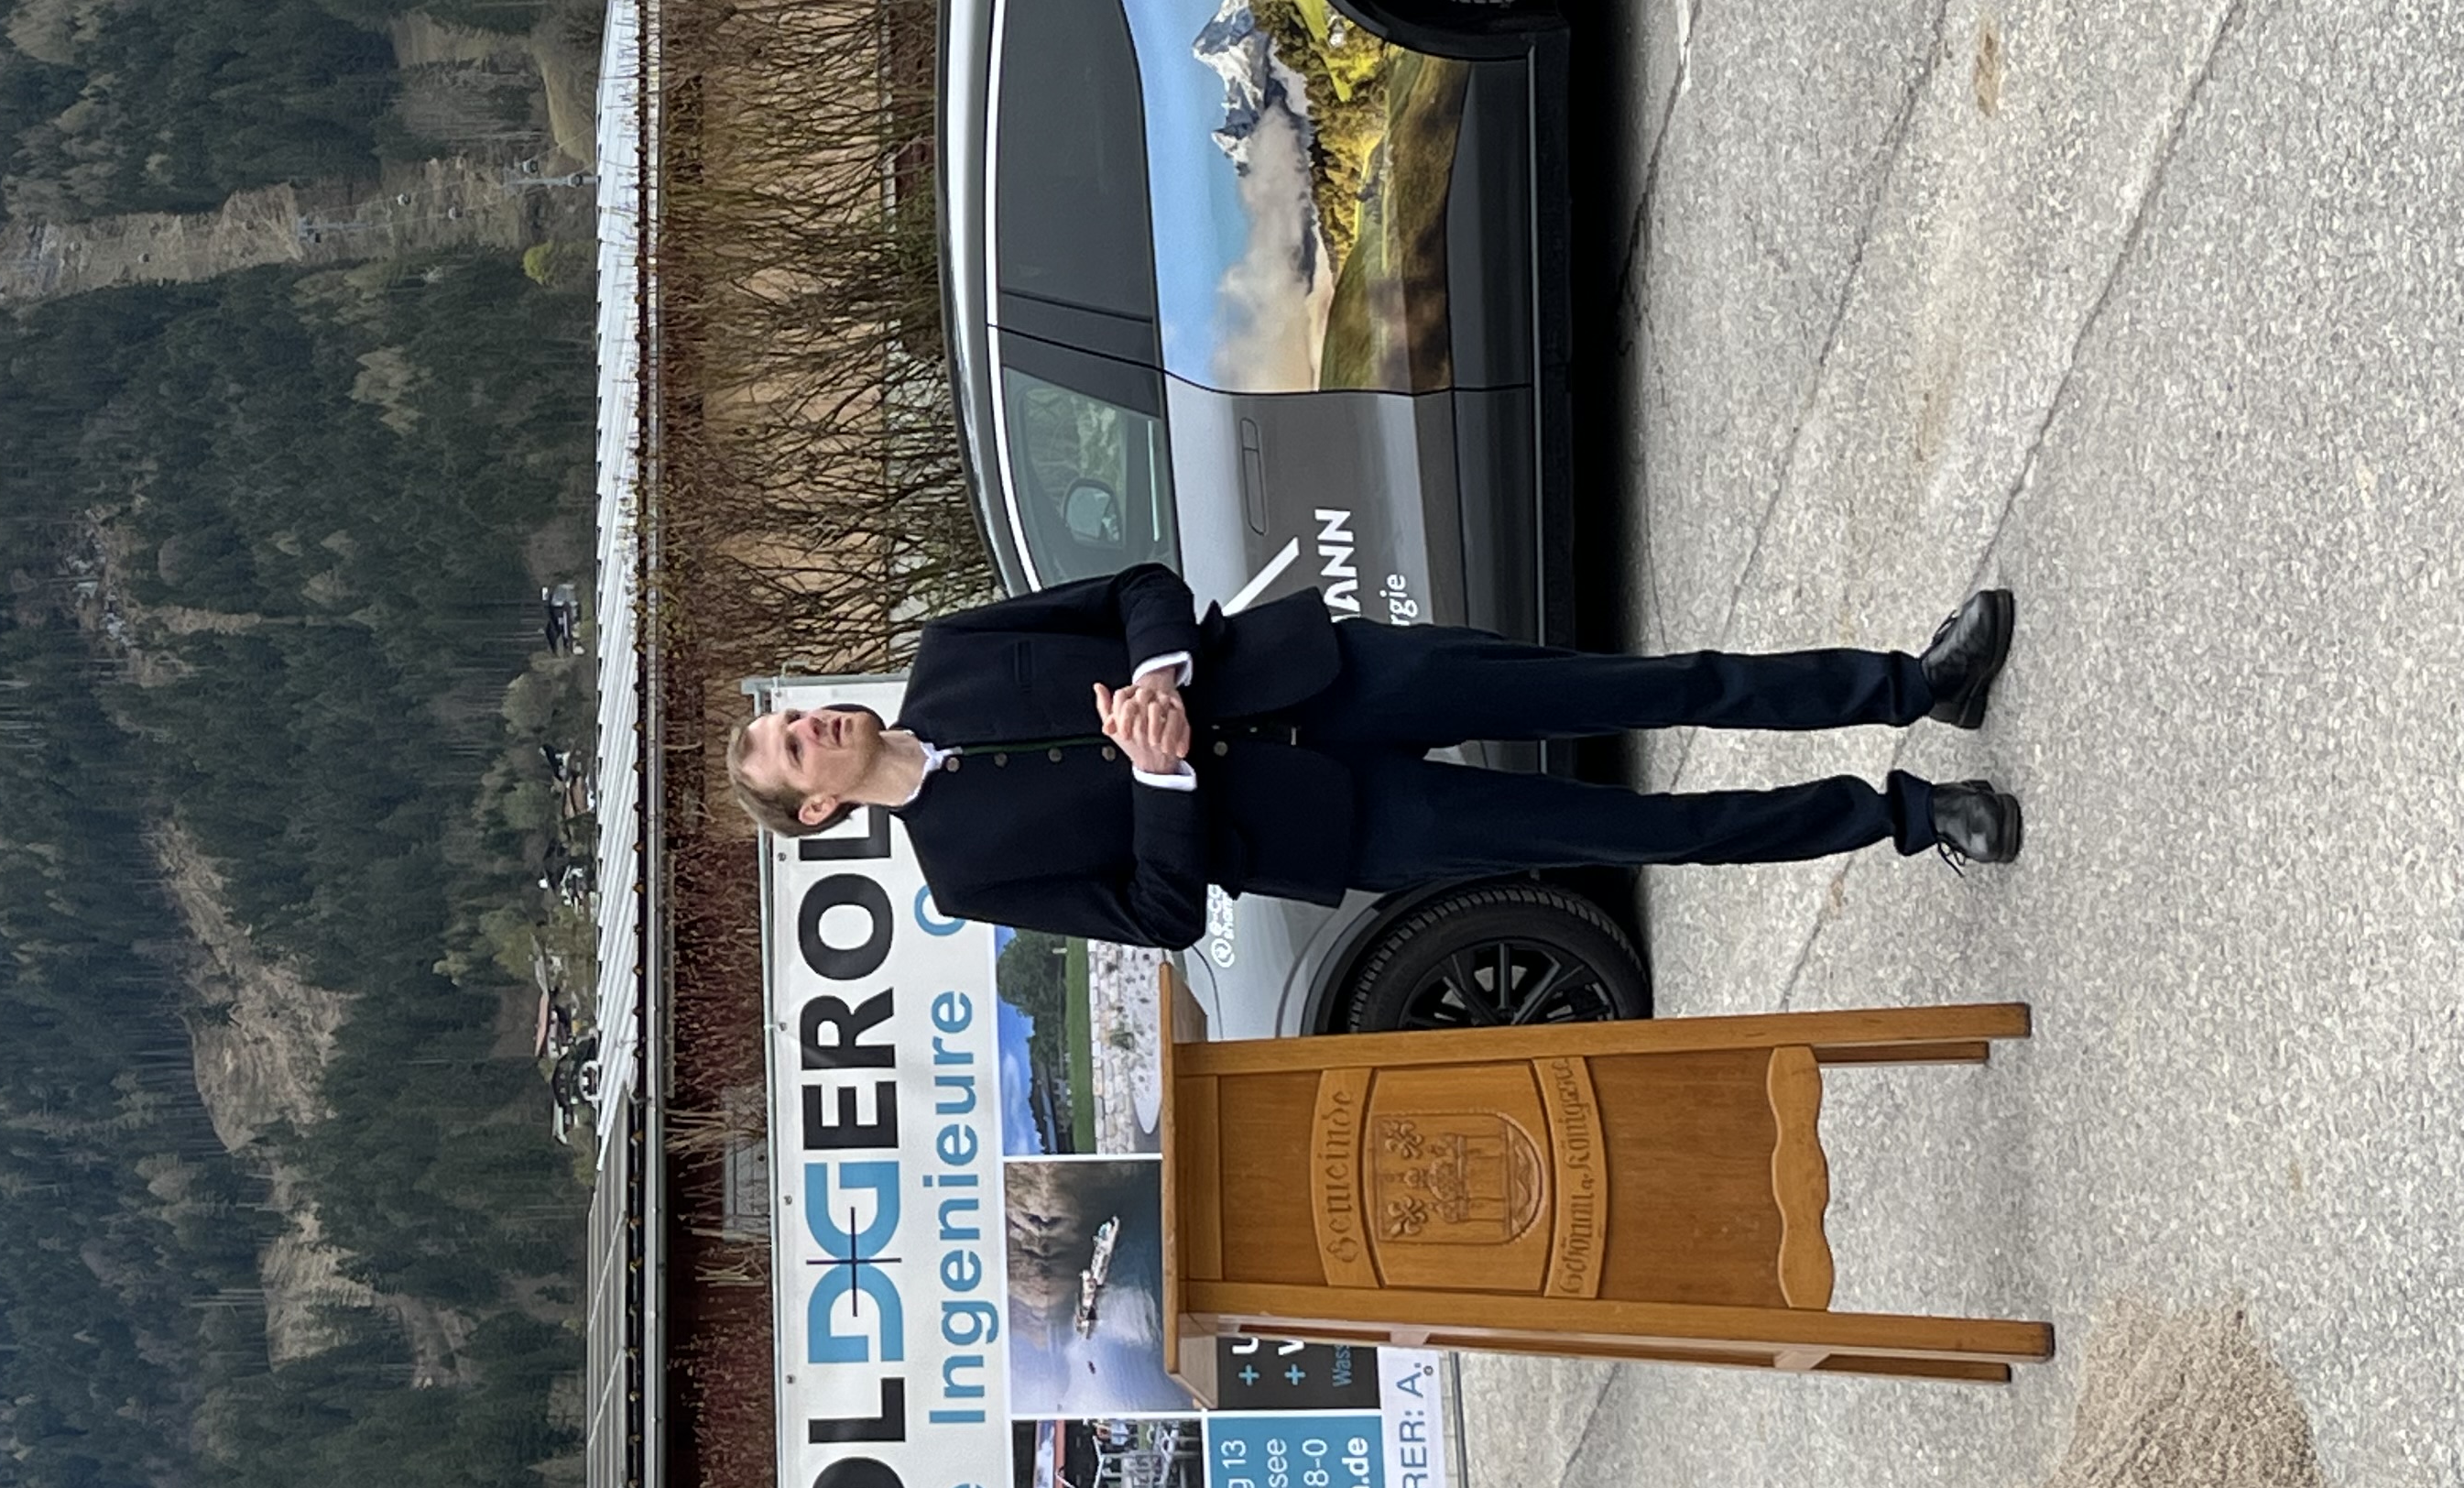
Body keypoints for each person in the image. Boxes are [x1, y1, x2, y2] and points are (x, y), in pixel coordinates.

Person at [727, 564, 2021, 950]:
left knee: (1653, 685)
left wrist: (1163, 675)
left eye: (797, 715)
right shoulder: (964, 875)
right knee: (1646, 833)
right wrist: (1161, 777)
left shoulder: (950, 650)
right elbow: (1160, 912)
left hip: (1327, 673)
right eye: (795, 750)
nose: (812, 725)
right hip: (1340, 824)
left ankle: (1920, 684)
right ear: (820, 808)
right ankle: (1912, 816)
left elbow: (1138, 588)